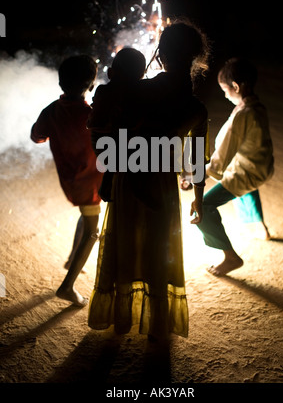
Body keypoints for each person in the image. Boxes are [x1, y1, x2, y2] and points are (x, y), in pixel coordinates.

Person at [88, 20, 209, 340]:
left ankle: (123, 317)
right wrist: (199, 197)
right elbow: (196, 161)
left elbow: (117, 135)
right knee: (160, 247)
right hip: (163, 187)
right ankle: (157, 322)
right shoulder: (196, 107)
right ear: (195, 58)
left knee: (128, 244)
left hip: (130, 179)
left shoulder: (141, 89)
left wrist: (109, 176)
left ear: (161, 54)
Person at [31, 55, 103, 306]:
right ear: (91, 86)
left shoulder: (51, 111)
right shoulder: (92, 116)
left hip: (71, 182)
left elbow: (36, 136)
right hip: (91, 183)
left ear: (60, 83)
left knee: (86, 216)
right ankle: (67, 287)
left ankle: (73, 257)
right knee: (93, 232)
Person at [194, 57, 274, 277]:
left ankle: (230, 256)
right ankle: (260, 227)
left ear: (236, 87)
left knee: (204, 207)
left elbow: (220, 161)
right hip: (259, 168)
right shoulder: (257, 107)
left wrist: (197, 175)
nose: (224, 94)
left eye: (225, 90)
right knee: (243, 186)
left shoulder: (242, 115)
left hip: (247, 172)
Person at [88, 47, 146, 201]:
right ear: (141, 77)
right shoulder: (135, 95)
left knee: (116, 163)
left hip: (100, 141)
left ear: (110, 73)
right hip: (107, 139)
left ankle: (108, 188)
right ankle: (134, 191)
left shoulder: (103, 91)